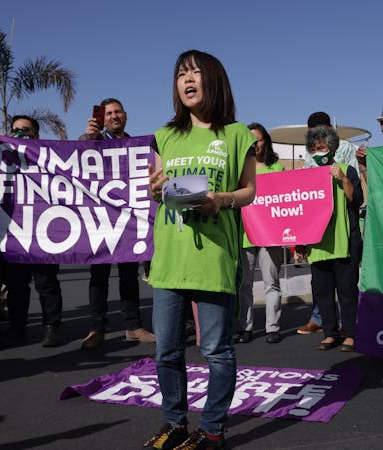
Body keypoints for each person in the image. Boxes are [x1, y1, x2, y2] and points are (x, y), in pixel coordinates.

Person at [143, 49, 256, 450]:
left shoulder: (238, 133)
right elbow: (157, 189)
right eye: (180, 74)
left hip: (214, 257)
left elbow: (249, 192)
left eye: (194, 72)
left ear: (213, 79)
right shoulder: (164, 135)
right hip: (170, 259)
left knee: (217, 351)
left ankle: (212, 429)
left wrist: (220, 199)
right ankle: (174, 424)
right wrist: (156, 191)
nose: (186, 79)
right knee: (166, 350)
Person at [79, 98, 155, 349]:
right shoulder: (93, 142)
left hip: (128, 221)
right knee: (98, 276)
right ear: (102, 119)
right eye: (108, 113)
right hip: (100, 220)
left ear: (125, 115)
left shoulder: (138, 145)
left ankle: (134, 326)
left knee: (129, 276)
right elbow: (76, 160)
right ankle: (96, 329)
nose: (113, 116)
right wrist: (89, 139)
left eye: (117, 112)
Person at [0, 116, 65, 348]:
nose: (20, 134)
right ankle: (17, 329)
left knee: (46, 283)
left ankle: (52, 328)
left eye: (26, 130)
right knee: (16, 285)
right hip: (16, 232)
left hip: (44, 231)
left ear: (36, 135)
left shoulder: (50, 159)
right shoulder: (2, 160)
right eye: (15, 130)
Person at [296, 125, 363, 353]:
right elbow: (302, 213)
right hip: (318, 245)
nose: (318, 153)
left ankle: (351, 333)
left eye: (322, 148)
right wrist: (301, 245)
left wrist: (343, 179)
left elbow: (356, 201)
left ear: (332, 148)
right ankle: (330, 334)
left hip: (345, 244)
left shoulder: (348, 170)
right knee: (323, 293)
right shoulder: (307, 177)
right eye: (314, 150)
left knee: (347, 291)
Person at [236, 122, 286, 345]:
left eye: (259, 139)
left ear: (266, 141)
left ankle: (272, 327)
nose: (255, 144)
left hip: (271, 235)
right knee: (244, 284)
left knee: (271, 282)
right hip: (245, 233)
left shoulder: (277, 169)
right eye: (251, 140)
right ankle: (245, 327)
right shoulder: (238, 170)